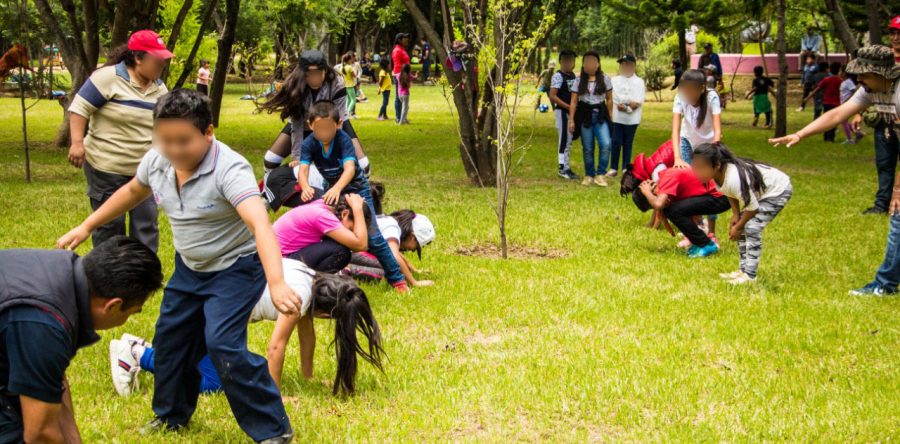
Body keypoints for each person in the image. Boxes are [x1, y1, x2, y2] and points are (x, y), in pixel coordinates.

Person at [56, 89, 299, 442]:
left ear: (208, 132)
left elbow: (260, 224)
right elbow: (133, 191)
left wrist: (276, 283)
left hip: (236, 268)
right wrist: (87, 225)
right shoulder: (157, 160)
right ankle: (171, 416)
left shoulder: (230, 169)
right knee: (170, 341)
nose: (172, 149)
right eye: (164, 139)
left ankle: (273, 430)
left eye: (183, 141)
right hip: (190, 267)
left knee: (223, 344)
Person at [109, 259, 384, 398]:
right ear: (326, 313)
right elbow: (276, 347)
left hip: (210, 301)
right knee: (213, 383)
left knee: (230, 370)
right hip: (206, 313)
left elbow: (306, 336)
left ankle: (146, 348)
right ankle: (135, 354)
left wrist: (308, 377)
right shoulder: (298, 297)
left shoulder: (307, 276)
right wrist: (275, 398)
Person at [0, 237, 162, 443]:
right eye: (131, 313)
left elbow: (51, 380)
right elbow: (40, 433)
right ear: (112, 306)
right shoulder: (45, 325)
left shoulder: (65, 273)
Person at [769, 45, 900, 294]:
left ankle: (884, 285)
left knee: (898, 218)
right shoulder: (871, 89)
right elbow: (838, 114)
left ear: (882, 73)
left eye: (864, 75)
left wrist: (897, 189)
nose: (859, 80)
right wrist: (800, 134)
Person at [67, 29, 173, 253]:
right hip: (106, 167)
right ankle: (108, 273)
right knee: (109, 227)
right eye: (157, 59)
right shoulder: (107, 78)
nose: (162, 63)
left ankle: (143, 271)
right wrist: (77, 143)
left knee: (146, 226)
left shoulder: (159, 87)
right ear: (138, 58)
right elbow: (79, 109)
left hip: (144, 171)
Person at [294, 100, 410, 292]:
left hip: (356, 187)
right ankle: (329, 280)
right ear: (310, 125)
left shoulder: (343, 140)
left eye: (328, 128)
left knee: (373, 237)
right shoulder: (309, 144)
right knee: (329, 233)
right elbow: (303, 169)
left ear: (338, 124)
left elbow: (349, 169)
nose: (324, 133)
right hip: (332, 188)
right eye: (319, 128)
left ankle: (397, 280)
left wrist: (337, 189)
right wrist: (305, 186)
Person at [692, 143, 792, 285]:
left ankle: (750, 276)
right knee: (744, 226)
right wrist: (736, 214)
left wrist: (738, 226)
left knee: (751, 227)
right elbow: (729, 192)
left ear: (717, 165)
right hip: (762, 194)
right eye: (695, 167)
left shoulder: (733, 177)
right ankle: (743, 271)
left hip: (778, 190)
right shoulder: (719, 177)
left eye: (701, 168)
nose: (697, 172)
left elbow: (753, 207)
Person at [260, 50, 371, 177]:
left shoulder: (337, 84)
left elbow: (338, 121)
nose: (314, 78)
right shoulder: (295, 85)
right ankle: (268, 186)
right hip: (303, 124)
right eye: (309, 74)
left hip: (334, 123)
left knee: (364, 166)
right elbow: (296, 124)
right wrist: (297, 157)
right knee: (270, 160)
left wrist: (332, 152)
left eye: (317, 73)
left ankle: (360, 188)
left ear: (325, 70)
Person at [347, 183, 436, 286]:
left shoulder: (388, 221)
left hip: (349, 250)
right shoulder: (392, 228)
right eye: (416, 248)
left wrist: (414, 270)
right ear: (412, 237)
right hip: (349, 253)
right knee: (385, 268)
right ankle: (345, 270)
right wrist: (414, 282)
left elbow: (395, 253)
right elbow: (394, 256)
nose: (412, 250)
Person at [632, 166, 729, 258]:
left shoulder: (667, 178)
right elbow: (689, 214)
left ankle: (706, 245)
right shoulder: (668, 189)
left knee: (673, 211)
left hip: (721, 197)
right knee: (674, 210)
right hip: (720, 197)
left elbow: (658, 204)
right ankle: (700, 243)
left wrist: (647, 192)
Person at [273, 194, 370, 273]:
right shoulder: (323, 216)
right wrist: (358, 209)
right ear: (345, 214)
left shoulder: (324, 207)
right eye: (351, 229)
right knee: (341, 251)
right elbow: (361, 245)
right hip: (278, 264)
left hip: (277, 259)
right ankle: (313, 285)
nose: (351, 234)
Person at [568, 50, 614, 187]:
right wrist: (571, 120)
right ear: (583, 64)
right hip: (585, 116)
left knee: (606, 144)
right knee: (588, 148)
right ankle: (589, 175)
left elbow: (609, 99)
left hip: (600, 116)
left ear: (598, 64)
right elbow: (573, 101)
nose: (590, 64)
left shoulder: (605, 79)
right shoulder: (578, 80)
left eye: (593, 61)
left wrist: (610, 116)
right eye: (587, 61)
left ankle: (600, 174)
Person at [672, 69, 722, 169]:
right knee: (689, 173)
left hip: (709, 143)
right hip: (688, 140)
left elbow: (717, 130)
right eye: (685, 92)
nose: (688, 96)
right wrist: (677, 158)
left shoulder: (711, 98)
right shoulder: (680, 97)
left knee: (706, 172)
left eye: (691, 92)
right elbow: (675, 130)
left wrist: (715, 151)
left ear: (702, 88)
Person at [609, 54, 645, 177]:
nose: (625, 67)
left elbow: (637, 101)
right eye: (622, 64)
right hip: (618, 117)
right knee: (615, 142)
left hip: (632, 118)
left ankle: (625, 167)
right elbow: (615, 98)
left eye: (627, 64)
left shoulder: (639, 82)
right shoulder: (614, 80)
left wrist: (626, 106)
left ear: (633, 66)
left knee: (627, 143)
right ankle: (613, 167)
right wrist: (628, 103)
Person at [549, 50, 579, 180]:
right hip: (562, 112)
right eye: (566, 60)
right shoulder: (558, 76)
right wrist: (567, 106)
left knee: (568, 140)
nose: (568, 63)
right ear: (560, 61)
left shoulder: (572, 76)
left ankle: (566, 166)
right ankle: (562, 168)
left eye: (571, 60)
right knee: (564, 140)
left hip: (570, 112)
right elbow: (552, 95)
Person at [801, 62, 843, 142]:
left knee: (827, 119)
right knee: (834, 120)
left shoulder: (826, 80)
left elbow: (816, 89)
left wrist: (807, 98)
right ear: (839, 70)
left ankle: (826, 136)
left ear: (830, 70)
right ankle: (831, 137)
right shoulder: (840, 81)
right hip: (836, 103)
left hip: (826, 103)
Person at [840, 69, 864, 144]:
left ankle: (849, 139)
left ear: (845, 73)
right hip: (844, 104)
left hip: (848, 104)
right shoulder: (844, 82)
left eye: (841, 71)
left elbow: (854, 92)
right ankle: (858, 133)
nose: (839, 73)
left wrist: (848, 100)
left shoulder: (849, 82)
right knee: (844, 121)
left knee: (843, 120)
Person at [391, 33, 411, 124]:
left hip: (404, 75)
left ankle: (403, 117)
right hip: (400, 75)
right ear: (399, 40)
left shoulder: (402, 49)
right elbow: (397, 65)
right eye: (404, 38)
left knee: (402, 97)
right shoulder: (397, 50)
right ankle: (399, 117)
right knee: (399, 97)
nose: (406, 39)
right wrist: (402, 76)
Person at [341, 52, 358, 118]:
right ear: (348, 60)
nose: (352, 60)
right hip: (350, 86)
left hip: (345, 86)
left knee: (348, 100)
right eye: (351, 59)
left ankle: (344, 113)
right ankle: (347, 113)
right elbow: (354, 76)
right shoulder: (349, 67)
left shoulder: (342, 67)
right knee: (353, 100)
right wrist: (355, 71)